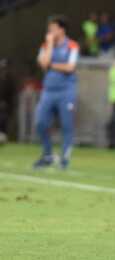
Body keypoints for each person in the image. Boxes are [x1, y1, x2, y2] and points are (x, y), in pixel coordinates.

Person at [33, 15, 79, 169]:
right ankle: (48, 155)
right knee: (40, 122)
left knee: (67, 125)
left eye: (53, 28)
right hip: (49, 90)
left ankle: (65, 158)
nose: (50, 31)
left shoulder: (72, 45)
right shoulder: (45, 46)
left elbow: (70, 67)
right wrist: (51, 44)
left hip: (66, 91)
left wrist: (51, 64)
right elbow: (43, 64)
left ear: (62, 29)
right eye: (49, 29)